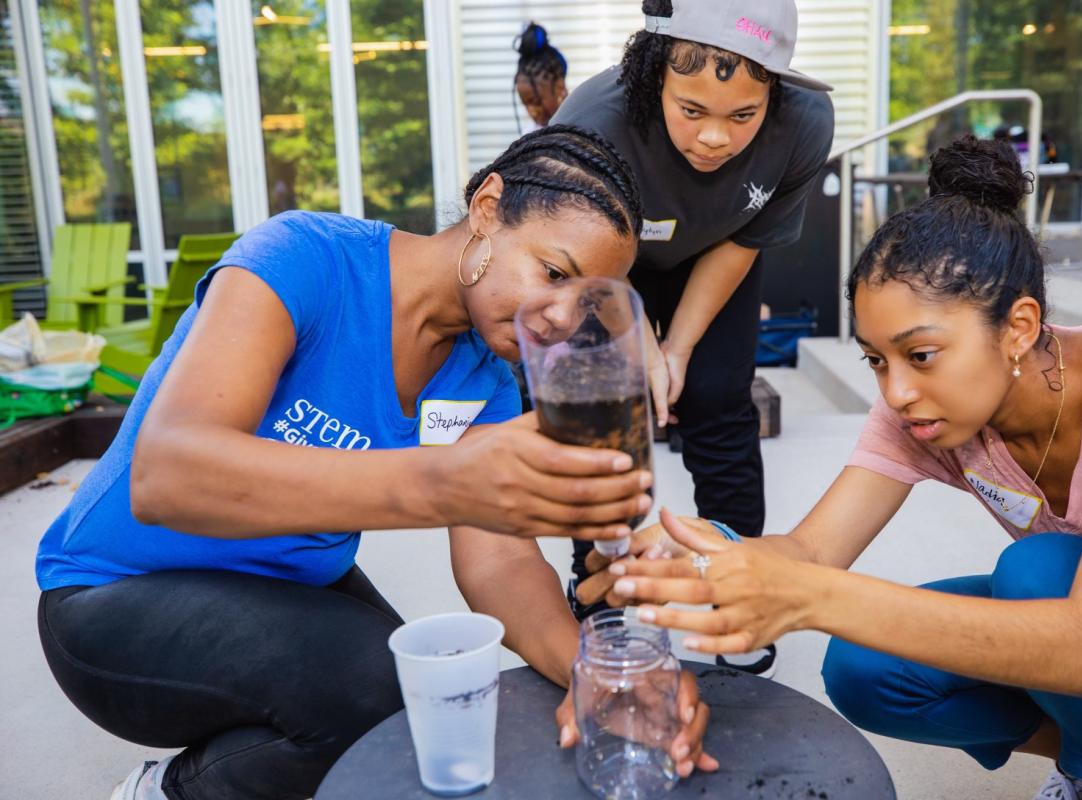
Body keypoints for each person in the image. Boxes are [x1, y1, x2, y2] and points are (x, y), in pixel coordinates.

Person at [34, 125, 715, 800]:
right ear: (487, 208)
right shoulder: (304, 259)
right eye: (554, 273)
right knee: (370, 689)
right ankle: (166, 794)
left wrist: (594, 676)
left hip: (283, 588)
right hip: (111, 597)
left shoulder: (484, 382)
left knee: (421, 703)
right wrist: (444, 483)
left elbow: (500, 563)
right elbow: (167, 475)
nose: (563, 319)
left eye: (585, 303)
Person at [586, 136, 1082, 800]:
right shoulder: (923, 409)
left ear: (1019, 327)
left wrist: (812, 600)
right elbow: (811, 552)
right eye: (876, 360)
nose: (896, 390)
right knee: (865, 664)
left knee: (1038, 570)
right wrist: (706, 556)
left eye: (922, 354)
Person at [550, 0, 835, 677]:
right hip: (597, 267)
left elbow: (742, 240)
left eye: (742, 116)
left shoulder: (804, 123)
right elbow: (579, 259)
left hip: (713, 256)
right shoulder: (595, 123)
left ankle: (736, 589)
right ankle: (604, 592)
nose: (715, 138)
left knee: (717, 401)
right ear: (656, 80)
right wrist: (641, 345)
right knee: (606, 416)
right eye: (692, 110)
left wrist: (676, 349)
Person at [513, 22, 568, 133]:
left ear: (560, 87)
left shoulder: (580, 126)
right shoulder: (529, 136)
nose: (532, 112)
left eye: (536, 102)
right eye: (526, 104)